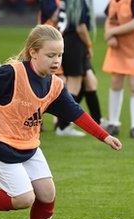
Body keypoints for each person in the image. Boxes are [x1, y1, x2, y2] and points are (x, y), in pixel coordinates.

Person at [0, 25, 122, 219]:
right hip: (0, 144)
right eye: (51, 55)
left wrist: (104, 136)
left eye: (60, 55)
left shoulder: (55, 85)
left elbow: (76, 113)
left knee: (47, 193)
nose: (57, 60)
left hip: (29, 146)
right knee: (24, 199)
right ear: (33, 52)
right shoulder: (12, 73)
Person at [41, 0, 103, 137]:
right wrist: (89, 45)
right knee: (74, 86)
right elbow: (80, 27)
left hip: (71, 42)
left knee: (90, 82)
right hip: (74, 42)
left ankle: (97, 121)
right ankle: (63, 126)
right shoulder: (78, 2)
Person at [102, 0, 134, 139]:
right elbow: (109, 18)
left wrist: (112, 32)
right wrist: (109, 35)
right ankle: (113, 123)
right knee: (115, 82)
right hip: (118, 48)